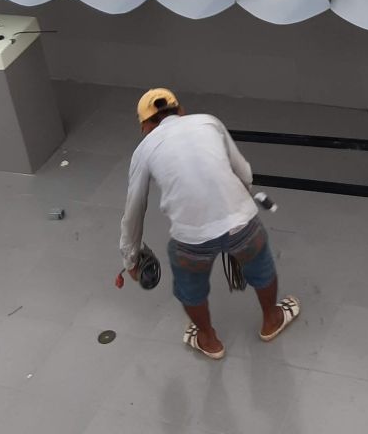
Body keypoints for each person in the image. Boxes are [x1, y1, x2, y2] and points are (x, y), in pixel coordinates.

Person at [119, 87, 300, 360]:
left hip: (191, 239)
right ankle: (272, 320)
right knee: (261, 267)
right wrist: (240, 198)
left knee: (190, 289)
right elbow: (243, 171)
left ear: (145, 125)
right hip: (241, 224)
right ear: (181, 111)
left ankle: (208, 340)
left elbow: (134, 209)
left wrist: (131, 259)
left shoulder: (143, 150)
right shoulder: (208, 121)